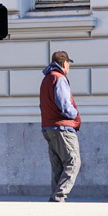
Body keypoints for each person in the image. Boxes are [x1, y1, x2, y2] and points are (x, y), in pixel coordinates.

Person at [38, 51, 82, 201]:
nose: (69, 66)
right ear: (64, 64)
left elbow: (42, 105)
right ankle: (59, 196)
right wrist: (75, 114)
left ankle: (55, 199)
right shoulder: (60, 78)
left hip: (48, 127)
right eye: (68, 63)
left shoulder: (46, 79)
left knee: (58, 165)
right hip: (62, 127)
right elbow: (64, 105)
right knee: (73, 161)